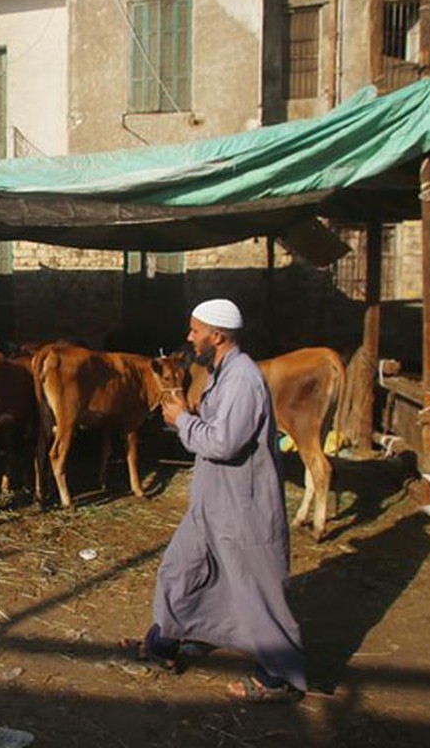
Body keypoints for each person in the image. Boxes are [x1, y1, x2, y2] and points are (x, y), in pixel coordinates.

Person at [133, 298, 306, 703]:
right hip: (211, 500)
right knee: (182, 568)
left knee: (256, 587)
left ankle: (279, 677)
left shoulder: (243, 379)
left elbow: (226, 442)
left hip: (241, 505)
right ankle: (165, 644)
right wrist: (188, 415)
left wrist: (182, 421)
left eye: (196, 330)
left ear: (218, 335)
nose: (189, 337)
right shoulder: (221, 373)